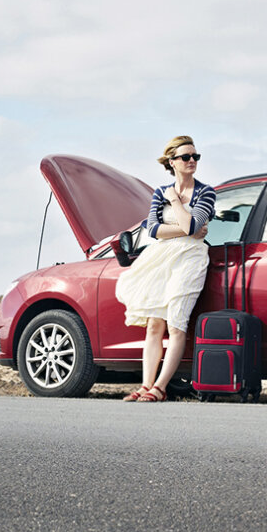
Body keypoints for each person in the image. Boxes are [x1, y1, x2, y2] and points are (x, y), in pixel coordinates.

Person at [115, 136, 216, 402]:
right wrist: (186, 226)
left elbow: (194, 229)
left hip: (190, 259)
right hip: (160, 258)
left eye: (195, 156)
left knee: (177, 324)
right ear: (173, 162)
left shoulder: (206, 192)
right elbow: (153, 230)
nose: (192, 160)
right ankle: (145, 385)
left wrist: (174, 203)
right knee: (153, 325)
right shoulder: (160, 191)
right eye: (186, 157)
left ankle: (160, 388)